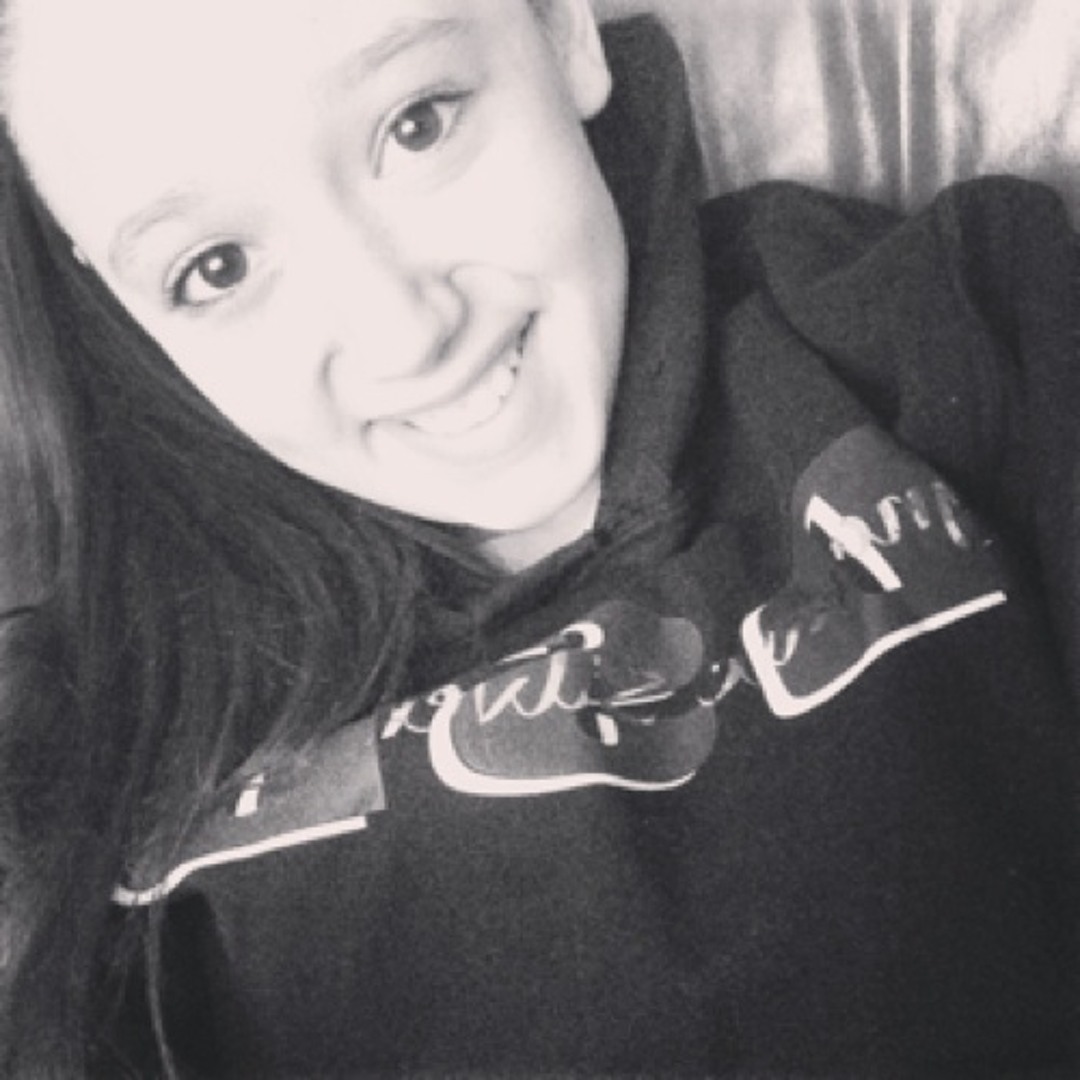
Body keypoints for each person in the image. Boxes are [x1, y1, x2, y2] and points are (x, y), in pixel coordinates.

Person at [0, 0, 1076, 1075]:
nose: (404, 334)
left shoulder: (960, 329)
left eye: (419, 124)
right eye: (218, 268)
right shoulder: (83, 752)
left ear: (564, 31)